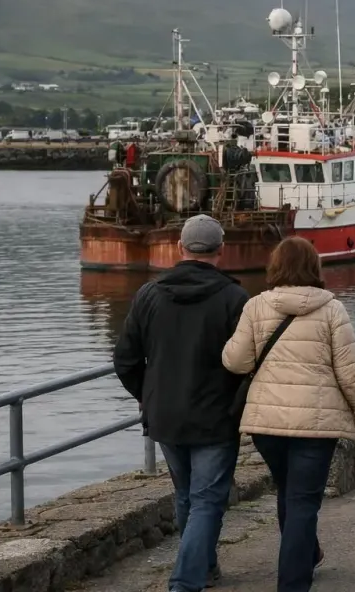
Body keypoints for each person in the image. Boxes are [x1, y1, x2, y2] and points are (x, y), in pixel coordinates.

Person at [223, 237, 355, 592]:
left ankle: (307, 556)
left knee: (290, 493)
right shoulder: (332, 310)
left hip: (268, 425)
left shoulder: (256, 307)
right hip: (316, 426)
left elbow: (236, 362)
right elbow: (351, 374)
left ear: (275, 266)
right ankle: (293, 584)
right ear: (314, 267)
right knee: (302, 502)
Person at [114, 215, 249, 592]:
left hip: (165, 415)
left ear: (179, 248)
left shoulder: (148, 295)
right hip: (215, 417)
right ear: (221, 250)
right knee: (207, 499)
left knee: (188, 495)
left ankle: (204, 568)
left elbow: (125, 359)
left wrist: (146, 394)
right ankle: (185, 583)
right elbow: (247, 364)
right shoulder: (235, 299)